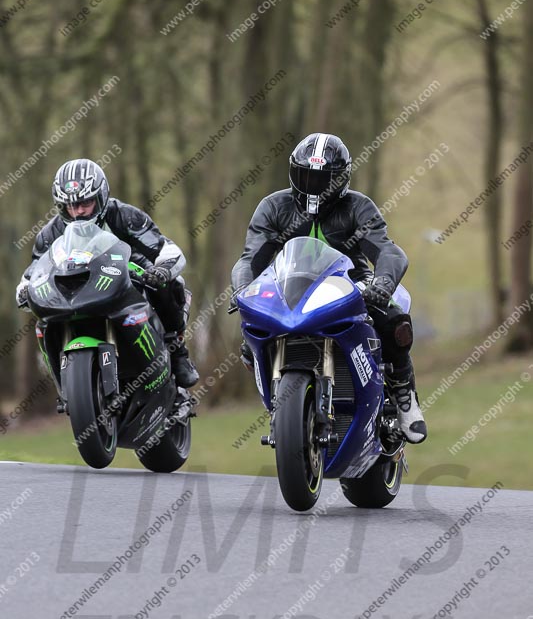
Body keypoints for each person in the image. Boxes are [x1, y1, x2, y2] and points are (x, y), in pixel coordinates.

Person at [230, 133, 427, 444]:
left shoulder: (359, 207)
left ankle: (403, 391)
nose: (313, 187)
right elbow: (251, 257)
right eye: (306, 176)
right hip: (287, 287)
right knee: (248, 338)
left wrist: (382, 284)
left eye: (324, 180)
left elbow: (388, 250)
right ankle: (282, 405)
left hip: (351, 284)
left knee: (395, 319)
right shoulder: (273, 206)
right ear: (293, 173)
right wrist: (242, 290)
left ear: (343, 180)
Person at [15, 158, 198, 388]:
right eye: (71, 206)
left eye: (86, 203)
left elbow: (166, 249)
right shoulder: (49, 233)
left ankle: (177, 349)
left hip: (130, 280)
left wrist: (160, 270)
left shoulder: (126, 215)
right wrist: (24, 290)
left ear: (100, 196)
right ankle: (65, 382)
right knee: (42, 319)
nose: (78, 212)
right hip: (79, 292)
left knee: (171, 283)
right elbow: (34, 272)